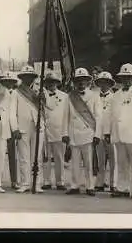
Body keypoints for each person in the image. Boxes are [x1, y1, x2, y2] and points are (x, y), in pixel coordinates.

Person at [103, 63, 132, 200]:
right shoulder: (115, 95)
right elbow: (109, 115)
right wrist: (107, 132)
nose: (126, 80)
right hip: (118, 133)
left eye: (129, 77)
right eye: (124, 77)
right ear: (120, 79)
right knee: (121, 163)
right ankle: (123, 188)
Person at [62, 67, 102, 196]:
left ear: (88, 82)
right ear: (74, 82)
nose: (81, 83)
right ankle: (74, 185)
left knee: (89, 162)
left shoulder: (94, 96)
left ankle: (90, 186)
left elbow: (98, 117)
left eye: (83, 80)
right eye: (78, 80)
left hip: (88, 133)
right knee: (74, 162)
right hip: (74, 133)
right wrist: (65, 133)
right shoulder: (70, 97)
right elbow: (65, 116)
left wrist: (97, 134)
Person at [13, 65, 45, 194]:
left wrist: (42, 100)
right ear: (22, 78)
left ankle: (37, 184)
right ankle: (25, 183)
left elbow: (44, 110)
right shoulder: (17, 92)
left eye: (30, 77)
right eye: (26, 77)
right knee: (24, 157)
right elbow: (12, 112)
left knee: (37, 157)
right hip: (22, 127)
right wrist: (15, 128)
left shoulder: (40, 91)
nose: (28, 79)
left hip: (38, 126)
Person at [42, 71, 68, 191]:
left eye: (54, 82)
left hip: (59, 130)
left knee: (59, 157)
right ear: (46, 83)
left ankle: (60, 181)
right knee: (46, 158)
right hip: (46, 129)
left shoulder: (64, 96)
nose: (51, 84)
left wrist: (66, 132)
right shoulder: (41, 95)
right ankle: (46, 181)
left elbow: (66, 114)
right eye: (49, 82)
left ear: (57, 83)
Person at [93, 71, 117, 192]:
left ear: (110, 84)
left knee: (114, 159)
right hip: (98, 132)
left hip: (111, 133)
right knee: (100, 159)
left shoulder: (115, 97)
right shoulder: (94, 97)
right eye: (101, 82)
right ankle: (100, 182)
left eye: (106, 82)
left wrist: (111, 132)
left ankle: (114, 183)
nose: (104, 85)